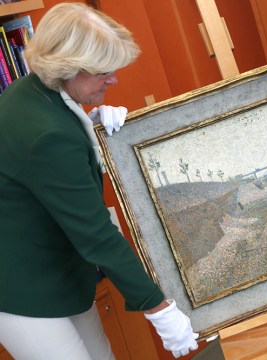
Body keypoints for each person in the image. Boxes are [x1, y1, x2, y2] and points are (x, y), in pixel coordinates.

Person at [0, 3, 198, 359]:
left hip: (57, 267)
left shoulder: (33, 91)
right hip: (19, 287)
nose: (114, 80)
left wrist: (87, 124)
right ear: (67, 68)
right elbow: (96, 234)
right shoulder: (47, 135)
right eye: (103, 71)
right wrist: (159, 309)